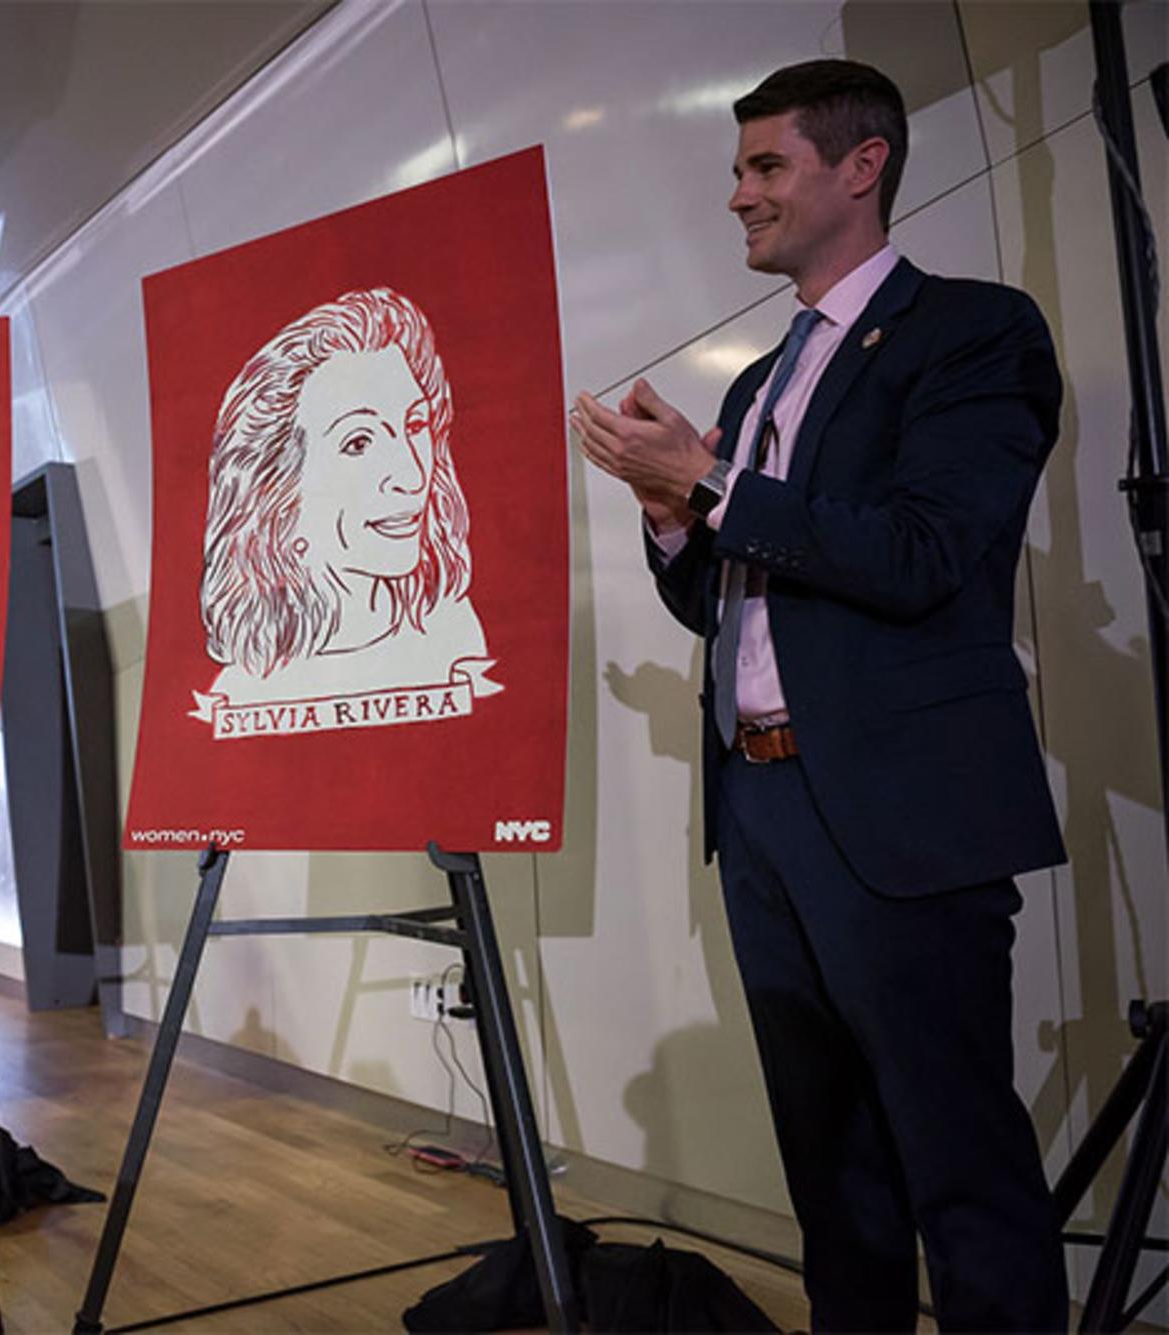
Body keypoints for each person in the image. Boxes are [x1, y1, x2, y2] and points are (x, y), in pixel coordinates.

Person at [572, 59, 1068, 1329]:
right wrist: (671, 516)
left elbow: (921, 554)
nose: (737, 194)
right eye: (737, 169)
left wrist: (714, 488)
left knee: (958, 1160)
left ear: (861, 167)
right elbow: (721, 601)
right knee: (830, 1166)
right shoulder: (755, 383)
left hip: (900, 812)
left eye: (763, 166)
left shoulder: (975, 331)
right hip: (764, 812)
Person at [200, 288, 484, 708]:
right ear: (276, 491)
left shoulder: (454, 629)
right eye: (358, 443)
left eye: (415, 425)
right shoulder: (244, 694)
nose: (412, 475)